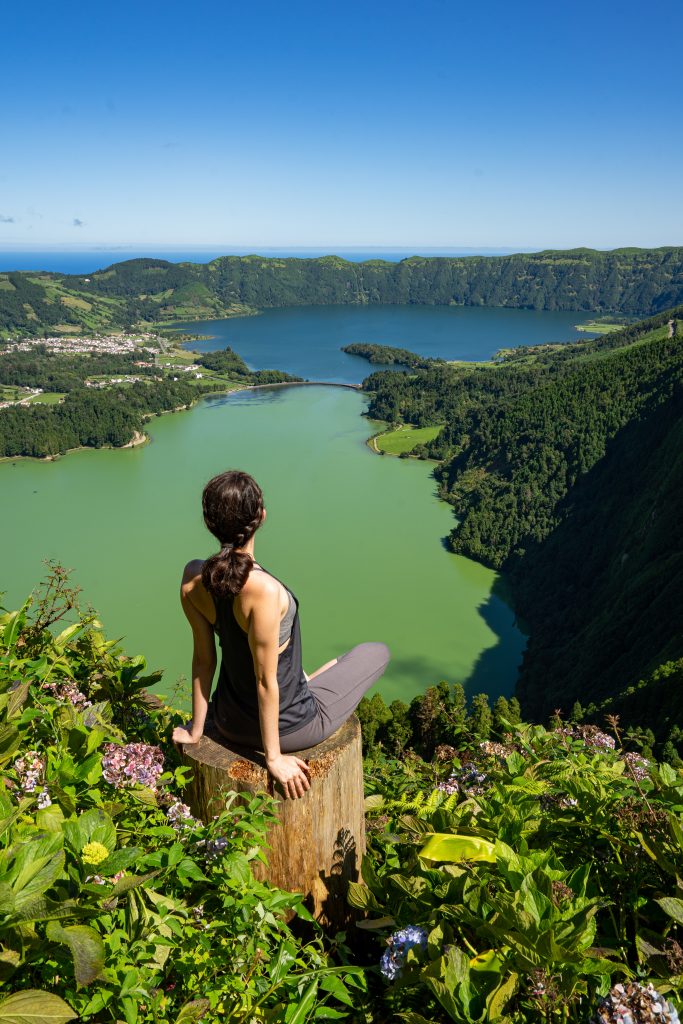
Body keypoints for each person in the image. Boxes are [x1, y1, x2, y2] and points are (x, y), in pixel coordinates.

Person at [172, 469, 390, 799]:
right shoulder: (265, 591)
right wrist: (273, 758)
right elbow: (264, 681)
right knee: (375, 652)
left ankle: (306, 683)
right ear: (260, 516)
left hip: (228, 719)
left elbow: (204, 661)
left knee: (317, 669)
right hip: (291, 728)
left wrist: (196, 731)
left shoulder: (192, 578)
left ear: (209, 522)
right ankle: (306, 693)